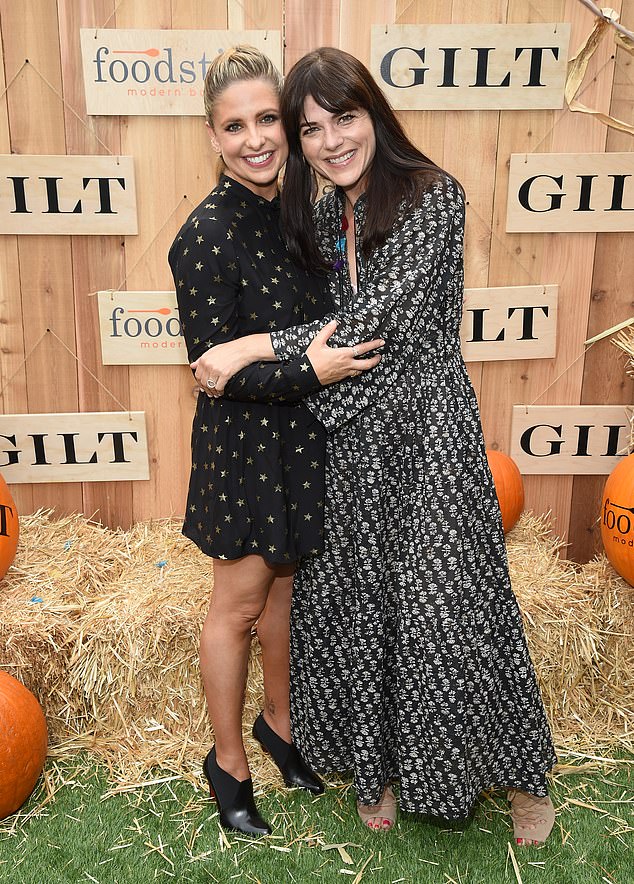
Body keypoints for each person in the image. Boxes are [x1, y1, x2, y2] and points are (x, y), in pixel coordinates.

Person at [194, 47, 557, 844]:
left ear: (374, 114)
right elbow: (329, 335)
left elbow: (370, 324)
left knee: (456, 608)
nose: (329, 142)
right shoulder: (326, 215)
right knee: (368, 615)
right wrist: (286, 358)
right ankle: (378, 768)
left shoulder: (435, 198)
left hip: (429, 437)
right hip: (351, 440)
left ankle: (521, 776)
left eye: (344, 119)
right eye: (311, 128)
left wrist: (251, 345)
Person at [168, 46, 382, 838]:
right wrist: (314, 370)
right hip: (244, 448)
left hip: (302, 438)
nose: (255, 138)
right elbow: (216, 372)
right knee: (237, 607)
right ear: (214, 137)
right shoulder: (205, 235)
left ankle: (280, 728)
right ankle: (228, 762)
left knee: (282, 598)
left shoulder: (302, 210)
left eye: (268, 120)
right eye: (236, 126)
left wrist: (313, 369)